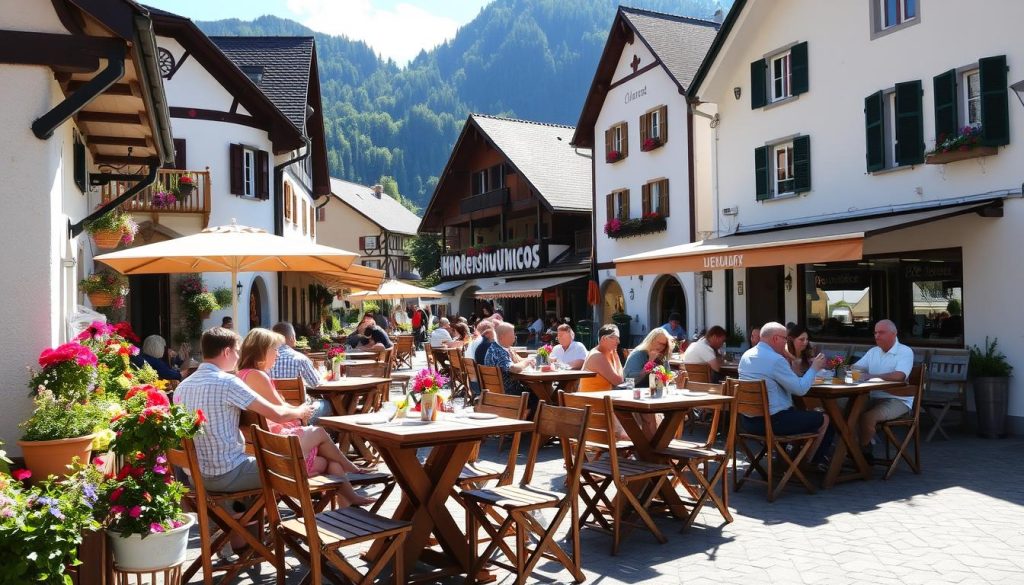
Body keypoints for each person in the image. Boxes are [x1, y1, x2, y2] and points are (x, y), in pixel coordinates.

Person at [235, 328, 374, 505]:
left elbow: (278, 407)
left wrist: (298, 411)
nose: (277, 354)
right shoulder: (257, 376)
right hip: (276, 448)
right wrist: (300, 411)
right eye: (275, 349)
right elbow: (279, 408)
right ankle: (351, 470)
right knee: (319, 433)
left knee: (332, 464)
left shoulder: (244, 374)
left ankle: (348, 508)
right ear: (262, 350)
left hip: (267, 444)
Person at [172, 327, 317, 496]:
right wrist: (300, 411)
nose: (239, 356)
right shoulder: (228, 382)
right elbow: (277, 415)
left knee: (306, 462)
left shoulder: (182, 387)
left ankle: (243, 519)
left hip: (195, 475)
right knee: (296, 467)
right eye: (236, 351)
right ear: (227, 352)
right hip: (227, 473)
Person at [738, 322, 830, 466]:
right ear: (775, 339)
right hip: (774, 423)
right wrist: (814, 368)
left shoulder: (746, 355)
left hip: (748, 422)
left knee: (801, 414)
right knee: (824, 419)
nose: (786, 342)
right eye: (785, 339)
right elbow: (800, 389)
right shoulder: (776, 360)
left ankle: (788, 461)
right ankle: (808, 465)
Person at [852, 319, 915, 462]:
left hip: (898, 399)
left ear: (894, 334)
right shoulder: (873, 351)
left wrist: (870, 376)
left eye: (881, 332)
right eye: (875, 332)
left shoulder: (904, 351)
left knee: (867, 417)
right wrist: (840, 367)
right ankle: (855, 450)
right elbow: (855, 368)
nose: (876, 336)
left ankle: (861, 453)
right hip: (873, 396)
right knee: (848, 412)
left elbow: (900, 376)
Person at [269, 322, 330, 422]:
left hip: (274, 414)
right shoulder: (300, 359)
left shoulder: (263, 360)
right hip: (300, 414)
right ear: (292, 338)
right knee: (327, 404)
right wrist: (325, 376)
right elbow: (316, 383)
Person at [484, 322, 536, 409]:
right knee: (537, 395)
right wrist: (527, 362)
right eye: (512, 335)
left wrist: (530, 359)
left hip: (498, 390)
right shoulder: (499, 352)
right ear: (501, 337)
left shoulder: (497, 348)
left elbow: (517, 362)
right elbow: (513, 368)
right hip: (508, 392)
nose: (515, 337)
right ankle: (528, 420)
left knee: (535, 391)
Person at [579, 324, 625, 391]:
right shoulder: (597, 356)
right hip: (591, 400)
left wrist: (615, 356)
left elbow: (620, 379)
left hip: (603, 398)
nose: (618, 341)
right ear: (604, 338)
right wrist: (616, 357)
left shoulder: (610, 353)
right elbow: (619, 382)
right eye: (616, 338)